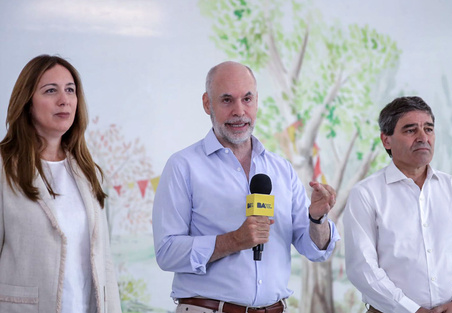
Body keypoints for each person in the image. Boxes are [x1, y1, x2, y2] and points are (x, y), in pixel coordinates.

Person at [152, 61, 340, 313]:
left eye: (247, 99)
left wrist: (317, 218)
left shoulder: (282, 169)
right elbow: (167, 253)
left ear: (257, 101)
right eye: (227, 100)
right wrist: (233, 241)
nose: (239, 111)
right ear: (207, 103)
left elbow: (315, 250)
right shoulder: (183, 166)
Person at [0, 55, 122, 313]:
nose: (64, 100)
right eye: (50, 91)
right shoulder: (4, 167)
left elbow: (105, 262)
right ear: (27, 102)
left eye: (70, 90)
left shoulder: (90, 172)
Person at [343, 96, 452, 313]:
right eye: (411, 130)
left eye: (428, 129)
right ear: (386, 140)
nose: (423, 137)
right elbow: (363, 269)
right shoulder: (366, 194)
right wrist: (411, 310)